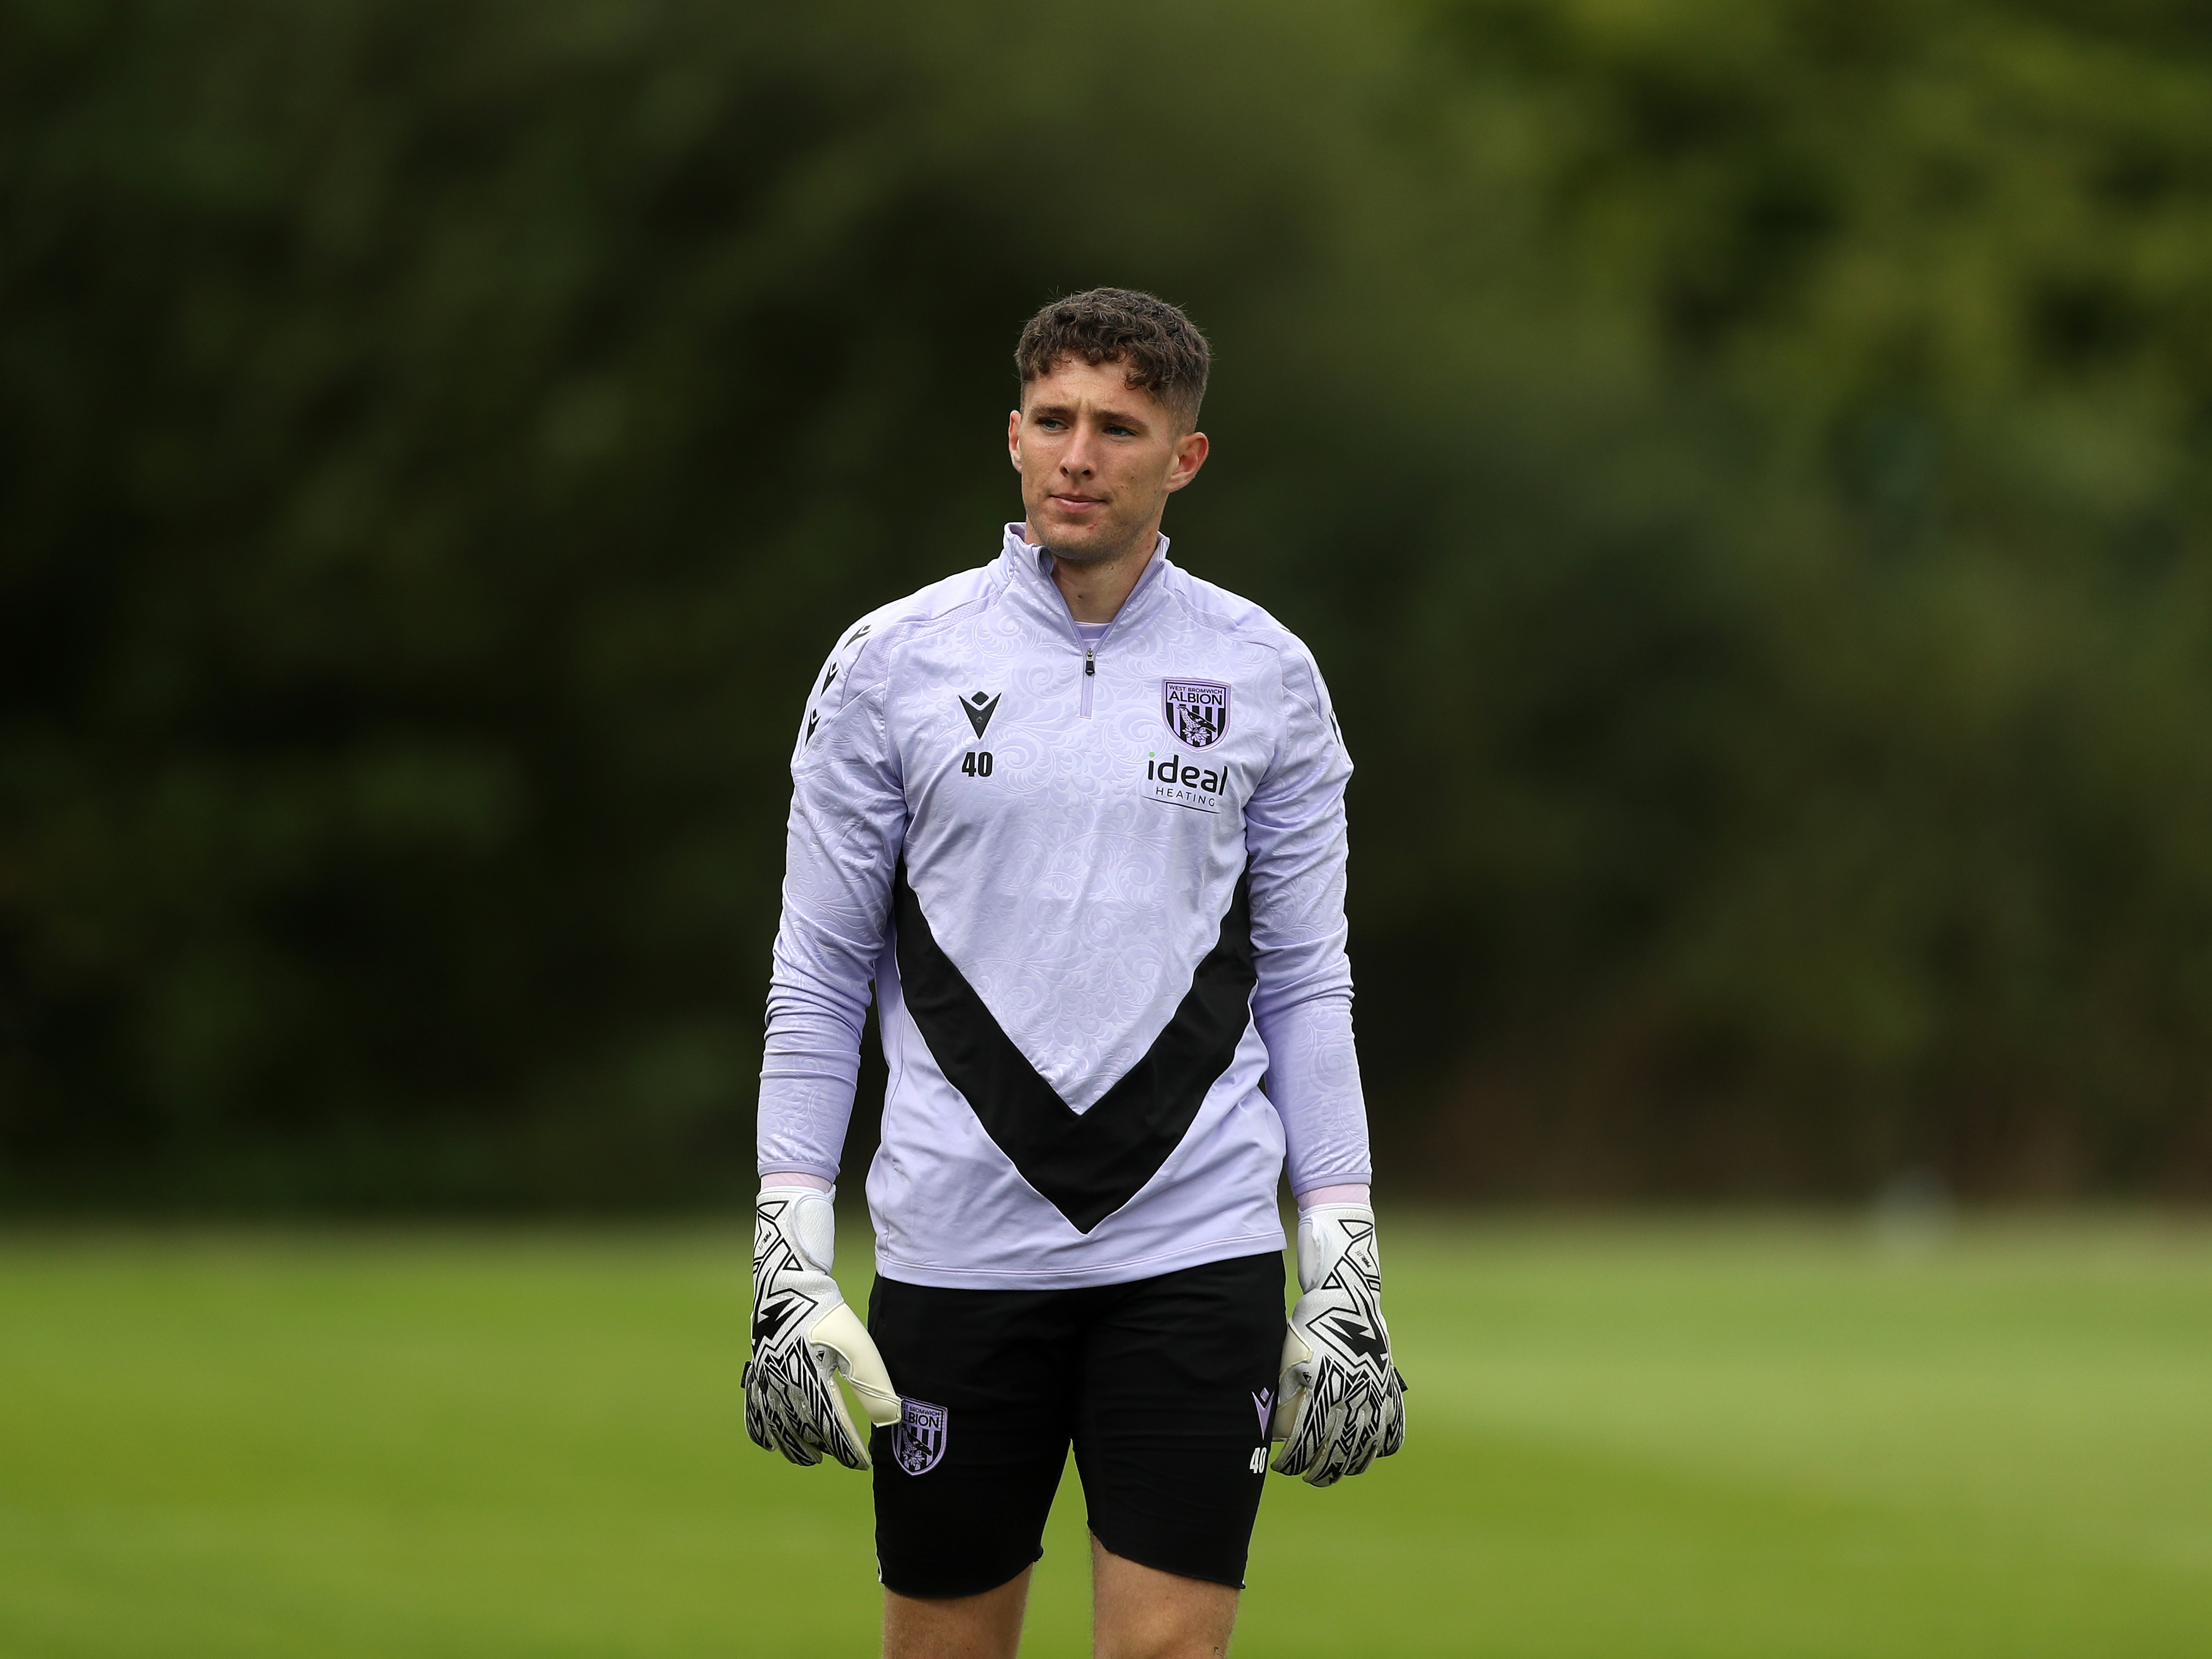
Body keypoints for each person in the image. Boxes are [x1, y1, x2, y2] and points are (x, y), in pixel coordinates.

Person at [743, 288, 1405, 1659]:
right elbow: (815, 977)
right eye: (1052, 421)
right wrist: (787, 1249)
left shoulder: (1265, 673)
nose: (1078, 455)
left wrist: (1340, 1251)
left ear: (1186, 458)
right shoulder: (892, 666)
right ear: (1011, 436)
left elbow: (1305, 981)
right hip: (954, 1245)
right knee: (946, 1649)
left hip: (1194, 1247)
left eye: (1119, 427)